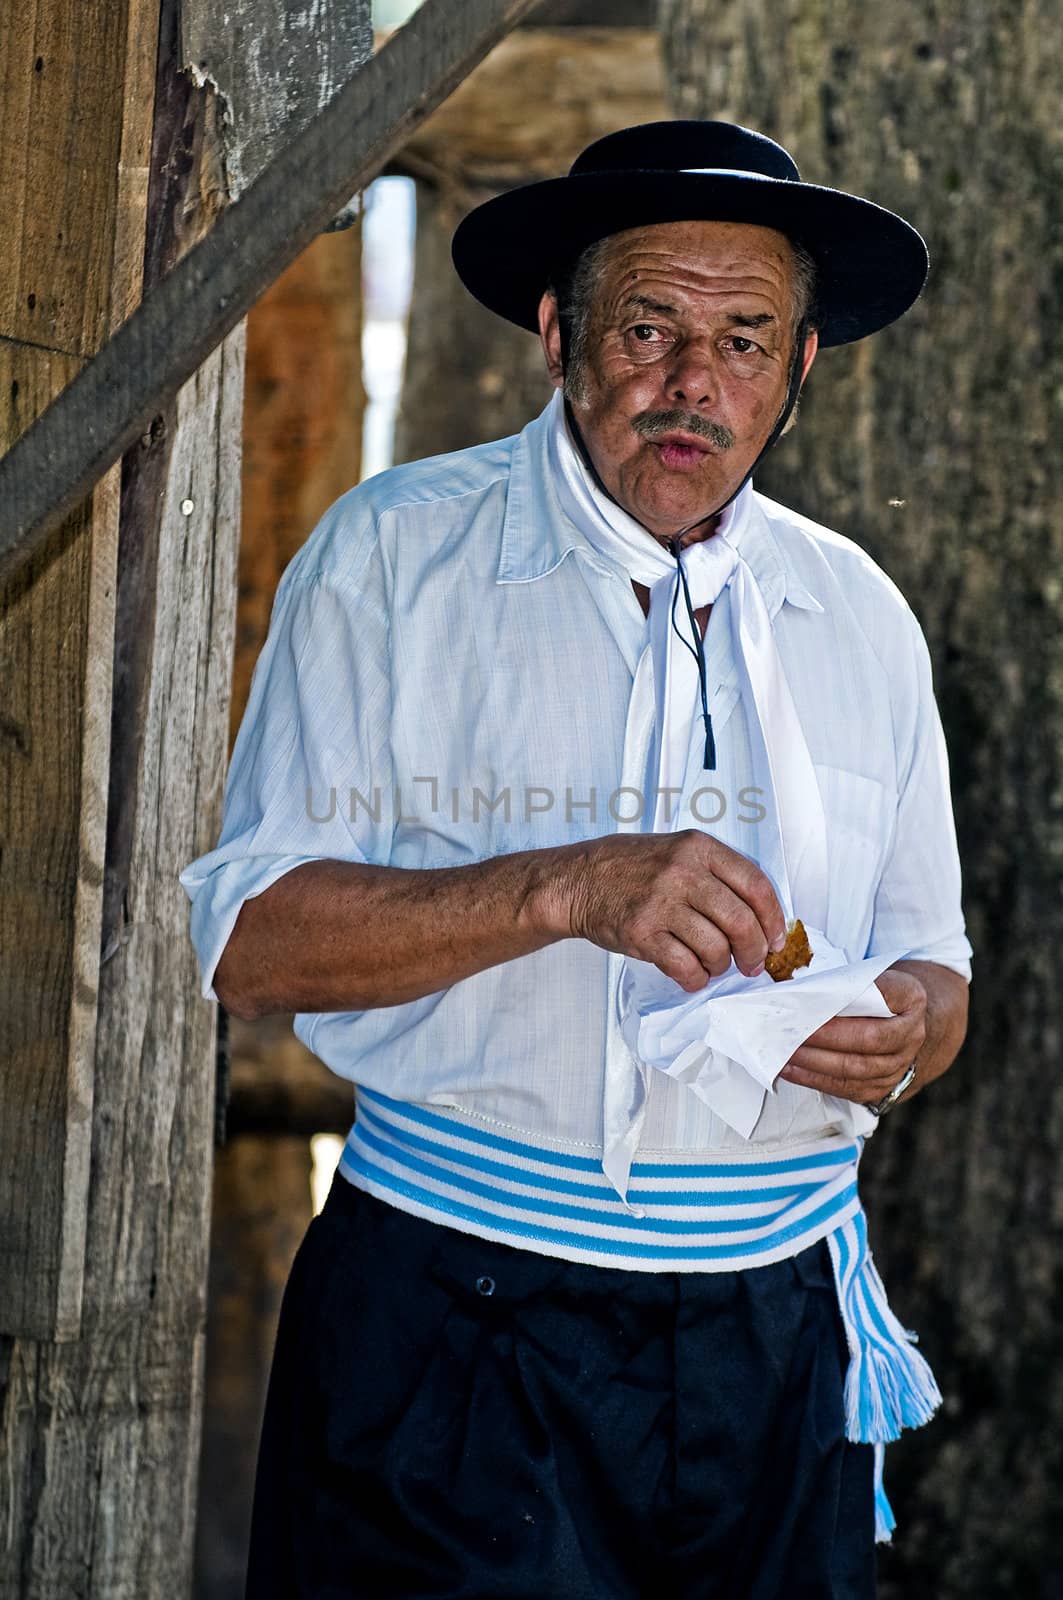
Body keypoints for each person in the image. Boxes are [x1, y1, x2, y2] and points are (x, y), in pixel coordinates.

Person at [180, 120, 972, 1598]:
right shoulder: (395, 557)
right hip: (457, 1324)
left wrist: (905, 1034)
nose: (694, 383)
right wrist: (564, 888)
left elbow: (938, 966)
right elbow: (251, 941)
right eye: (648, 326)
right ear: (559, 333)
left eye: (745, 339)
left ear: (800, 367)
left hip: (777, 1339)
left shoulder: (856, 612)